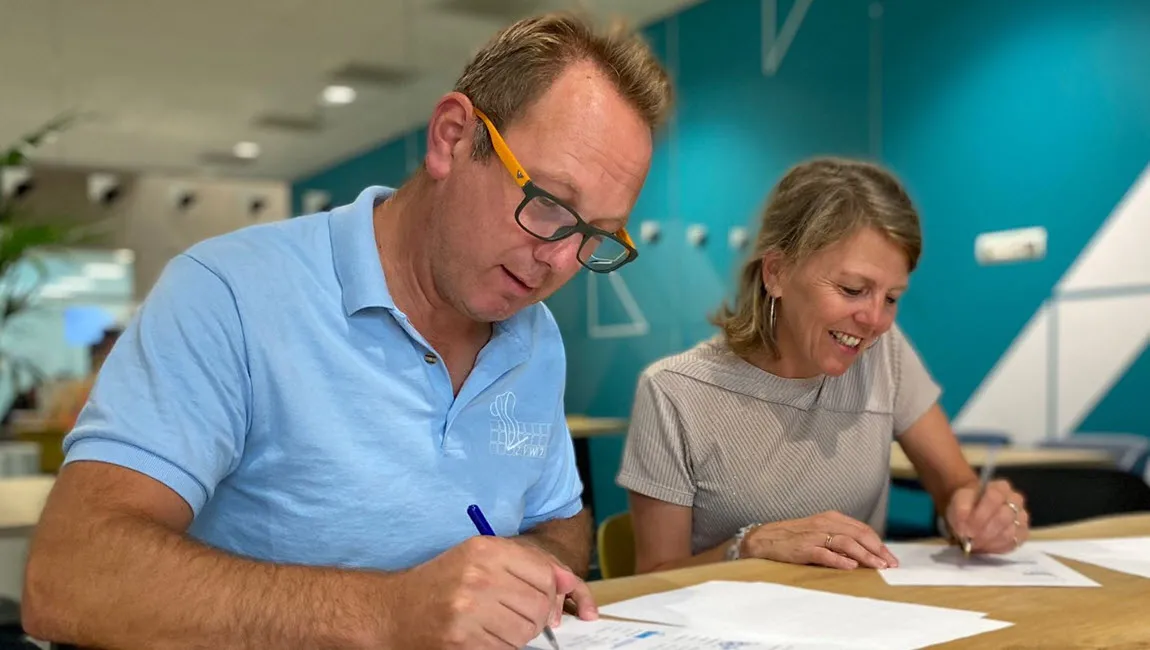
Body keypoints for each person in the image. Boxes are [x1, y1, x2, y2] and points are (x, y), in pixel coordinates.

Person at [22, 12, 672, 650]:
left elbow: (557, 518)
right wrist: (390, 611)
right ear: (451, 137)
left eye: (595, 235)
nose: (561, 260)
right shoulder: (229, 293)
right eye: (551, 205)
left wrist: (519, 576)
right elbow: (71, 576)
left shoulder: (535, 337)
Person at [617, 157, 1030, 575]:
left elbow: (955, 486)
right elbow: (655, 579)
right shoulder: (674, 392)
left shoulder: (886, 354)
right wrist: (752, 544)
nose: (874, 321)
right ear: (776, 273)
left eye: (891, 298)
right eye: (853, 290)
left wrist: (974, 510)